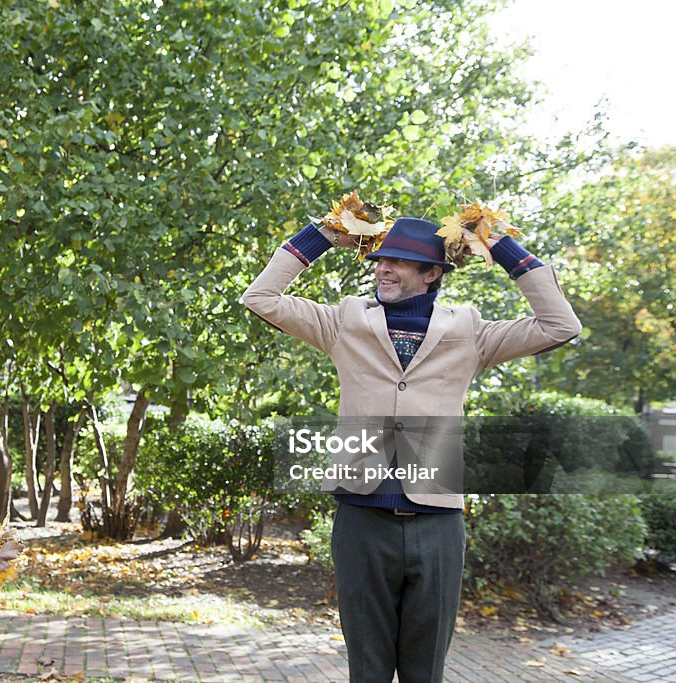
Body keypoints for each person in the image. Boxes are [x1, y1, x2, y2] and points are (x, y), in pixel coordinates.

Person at [242, 216, 581, 682]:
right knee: (369, 670)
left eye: (400, 262)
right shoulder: (345, 321)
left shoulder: (471, 331)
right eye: (381, 259)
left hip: (439, 524)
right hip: (361, 520)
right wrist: (320, 234)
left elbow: (561, 324)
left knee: (426, 673)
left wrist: (499, 247)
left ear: (432, 273)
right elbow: (261, 298)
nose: (383, 268)